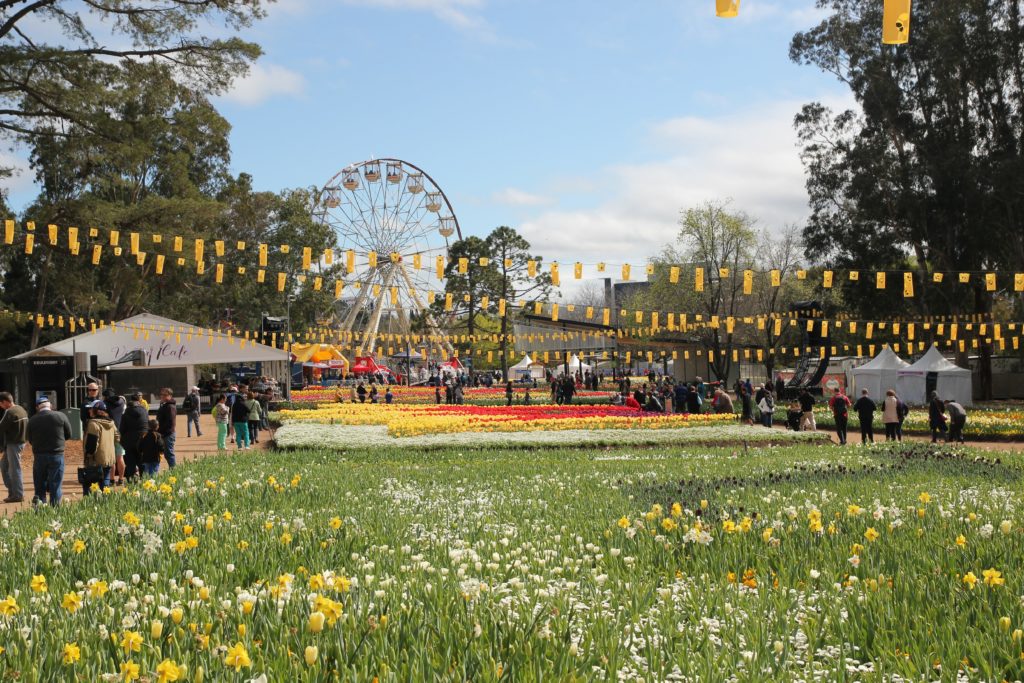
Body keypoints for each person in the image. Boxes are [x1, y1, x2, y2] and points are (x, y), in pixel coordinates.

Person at [26, 396, 71, 506]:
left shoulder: (32, 420)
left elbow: (29, 438)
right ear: (50, 405)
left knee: (39, 484)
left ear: (37, 407)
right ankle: (55, 510)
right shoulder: (61, 416)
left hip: (39, 455)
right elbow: (68, 434)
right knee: (55, 484)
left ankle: (40, 509)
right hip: (56, 454)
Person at [83, 400, 119, 495]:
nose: (89, 411)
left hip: (95, 460)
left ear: (97, 411)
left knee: (92, 485)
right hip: (109, 458)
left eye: (91, 409)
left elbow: (92, 444)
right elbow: (117, 438)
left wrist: (88, 455)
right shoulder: (111, 423)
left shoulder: (93, 424)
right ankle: (105, 503)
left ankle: (93, 505)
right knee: (105, 481)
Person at [0, 392, 28, 503]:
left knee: (14, 469)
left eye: (0, 403)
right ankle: (13, 491)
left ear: (5, 402)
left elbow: (1, 427)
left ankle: (17, 494)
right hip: (20, 442)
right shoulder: (21, 409)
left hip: (14, 444)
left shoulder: (9, 412)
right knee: (4, 466)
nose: (0, 406)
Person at [120, 392, 149, 480]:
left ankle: (131, 481)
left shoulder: (126, 413)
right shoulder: (144, 411)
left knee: (130, 462)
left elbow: (122, 429)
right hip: (142, 439)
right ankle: (144, 480)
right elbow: (147, 424)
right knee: (142, 461)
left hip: (128, 441)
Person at [103, 388, 127, 485]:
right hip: (120, 433)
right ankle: (121, 479)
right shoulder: (121, 403)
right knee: (120, 457)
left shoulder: (105, 404)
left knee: (111, 458)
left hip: (109, 433)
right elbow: (122, 399)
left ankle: (112, 479)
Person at [156, 388, 178, 467]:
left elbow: (170, 422)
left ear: (170, 396)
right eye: (161, 395)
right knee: (167, 454)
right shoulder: (165, 405)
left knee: (169, 454)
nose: (162, 396)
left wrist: (159, 430)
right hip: (165, 433)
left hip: (168, 434)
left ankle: (174, 471)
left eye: (165, 395)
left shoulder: (170, 406)